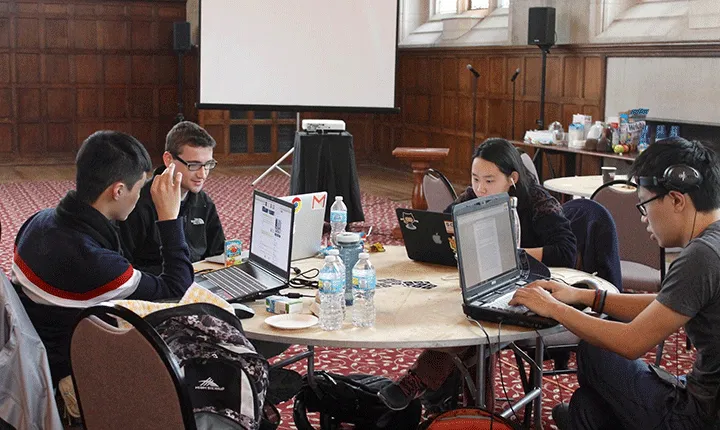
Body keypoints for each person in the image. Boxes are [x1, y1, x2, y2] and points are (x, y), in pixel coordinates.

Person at [511, 137, 720, 429]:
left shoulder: (700, 256)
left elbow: (631, 342)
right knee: (587, 407)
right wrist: (585, 297)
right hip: (707, 400)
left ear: (676, 200)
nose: (644, 218)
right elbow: (665, 304)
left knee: (595, 352)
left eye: (644, 205)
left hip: (700, 416)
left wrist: (553, 308)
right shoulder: (714, 242)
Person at [379, 138, 577, 411]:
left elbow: (566, 251)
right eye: (474, 179)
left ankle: (421, 382)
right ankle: (472, 410)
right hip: (489, 283)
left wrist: (510, 254)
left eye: (489, 180)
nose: (480, 188)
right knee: (472, 318)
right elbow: (445, 224)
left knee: (474, 323)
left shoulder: (537, 200)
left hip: (535, 288)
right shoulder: (475, 197)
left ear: (512, 179)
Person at [11, 131, 193, 412]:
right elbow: (176, 291)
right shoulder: (95, 263)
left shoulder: (37, 222)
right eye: (140, 187)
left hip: (36, 342)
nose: (142, 195)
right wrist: (170, 218)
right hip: (70, 359)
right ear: (118, 191)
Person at [119, 121, 225, 274]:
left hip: (197, 283)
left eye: (208, 164)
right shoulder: (137, 203)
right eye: (193, 165)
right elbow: (124, 268)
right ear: (168, 159)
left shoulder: (204, 202)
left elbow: (218, 254)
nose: (202, 174)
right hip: (156, 288)